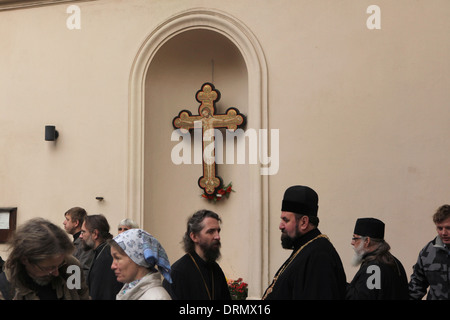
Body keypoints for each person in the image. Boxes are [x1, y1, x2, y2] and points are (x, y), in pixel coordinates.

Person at [262, 185, 347, 300]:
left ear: (304, 222)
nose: (280, 226)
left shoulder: (319, 256)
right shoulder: (305, 248)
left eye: (286, 220)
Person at [0, 218, 89, 300]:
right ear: (25, 260)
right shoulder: (6, 286)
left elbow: (81, 294)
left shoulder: (71, 267)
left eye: (60, 264)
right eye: (49, 267)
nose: (56, 273)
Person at [163, 209, 231, 300]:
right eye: (211, 231)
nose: (217, 236)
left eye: (218, 231)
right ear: (194, 237)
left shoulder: (215, 269)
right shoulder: (177, 273)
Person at [346, 217, 408, 300]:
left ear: (367, 241)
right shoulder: (394, 261)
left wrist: (344, 286)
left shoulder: (374, 269)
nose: (352, 242)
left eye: (355, 238)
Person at [109, 229, 172, 300]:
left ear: (137, 259)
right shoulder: (127, 293)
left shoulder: (157, 298)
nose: (112, 266)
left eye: (117, 258)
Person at [409, 204, 450, 300]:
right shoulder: (427, 252)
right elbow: (417, 285)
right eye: (440, 228)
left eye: (448, 228)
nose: (444, 233)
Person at [80, 214, 122, 300]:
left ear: (95, 234)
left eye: (83, 232)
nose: (81, 236)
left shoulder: (106, 257)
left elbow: (103, 294)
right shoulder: (103, 251)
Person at [63, 207, 94, 278]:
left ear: (76, 223)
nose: (64, 222)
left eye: (67, 219)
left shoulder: (84, 243)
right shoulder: (76, 242)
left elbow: (84, 270)